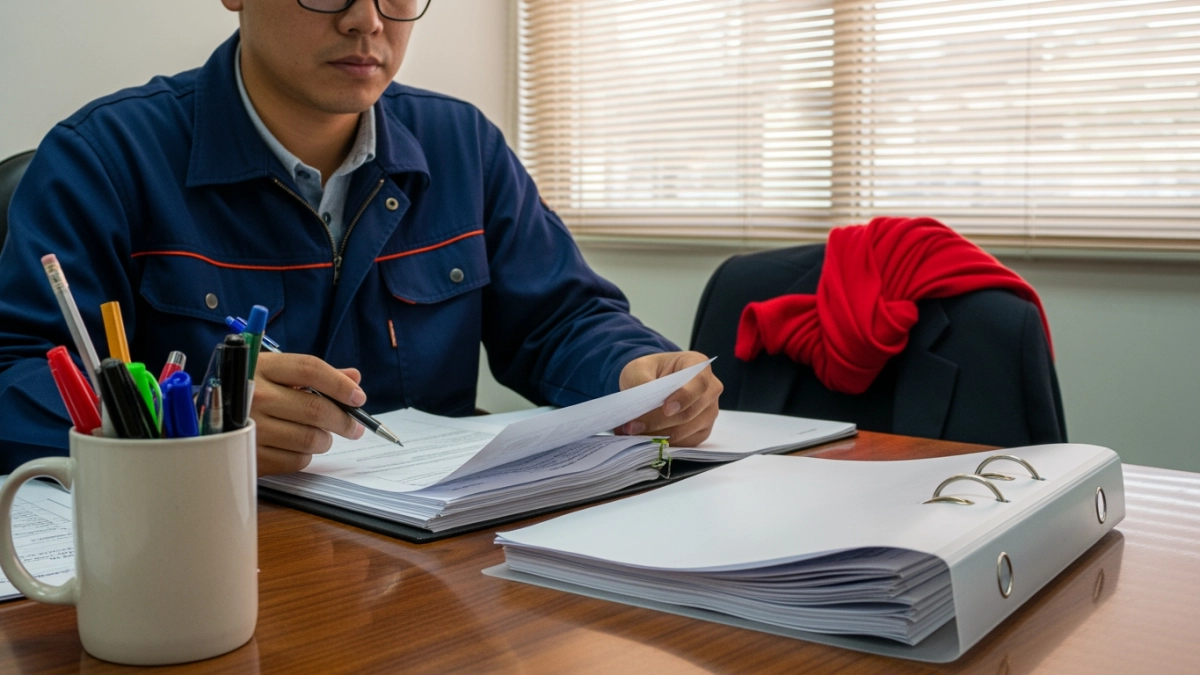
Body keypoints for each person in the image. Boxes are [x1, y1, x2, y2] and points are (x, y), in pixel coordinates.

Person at [0, 0, 721, 475]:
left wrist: (635, 372)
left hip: (425, 559)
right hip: (203, 557)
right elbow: (15, 377)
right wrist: (188, 424)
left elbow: (561, 318)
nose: (366, 20)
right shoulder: (105, 158)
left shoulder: (460, 143)